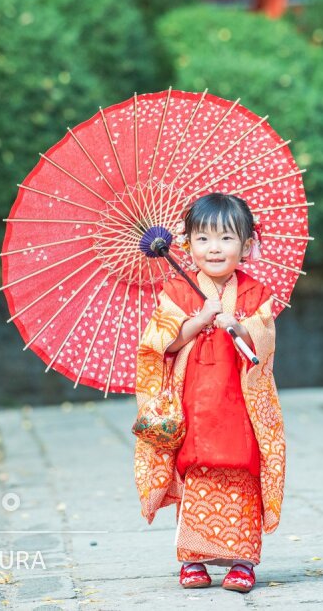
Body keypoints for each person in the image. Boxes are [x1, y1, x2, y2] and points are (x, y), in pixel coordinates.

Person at [133, 192, 286, 594]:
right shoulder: (177, 293)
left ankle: (243, 561)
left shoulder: (255, 294)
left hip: (238, 399)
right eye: (203, 239)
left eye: (226, 239)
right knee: (194, 465)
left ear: (247, 245)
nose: (214, 248)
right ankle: (193, 557)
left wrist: (239, 325)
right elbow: (158, 344)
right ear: (186, 245)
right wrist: (198, 319)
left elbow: (263, 342)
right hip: (194, 398)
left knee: (243, 465)